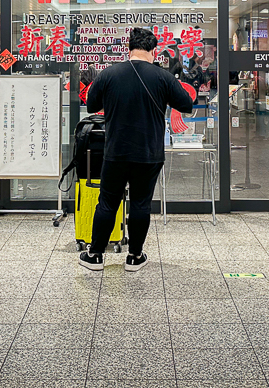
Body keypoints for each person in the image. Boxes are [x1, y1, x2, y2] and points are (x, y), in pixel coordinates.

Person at [79, 27, 194, 272]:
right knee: (141, 204)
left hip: (116, 151)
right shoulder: (162, 77)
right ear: (153, 51)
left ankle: (96, 255)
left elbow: (91, 104)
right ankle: (134, 256)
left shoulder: (110, 73)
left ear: (129, 49)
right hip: (149, 153)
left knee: (107, 203)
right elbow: (186, 104)